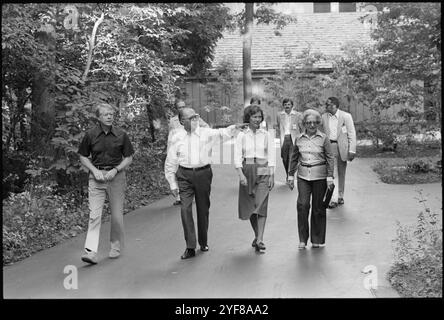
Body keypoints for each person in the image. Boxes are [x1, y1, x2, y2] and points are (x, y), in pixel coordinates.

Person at [164, 107, 247, 259]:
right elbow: (170, 160)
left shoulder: (205, 133)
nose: (195, 120)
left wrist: (235, 127)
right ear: (182, 121)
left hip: (203, 174)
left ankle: (203, 241)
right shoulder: (176, 136)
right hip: (184, 175)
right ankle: (190, 246)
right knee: (185, 209)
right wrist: (172, 183)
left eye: (196, 117)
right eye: (191, 118)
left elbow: (222, 133)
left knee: (203, 208)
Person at [78, 103, 135, 264]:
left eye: (111, 114)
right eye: (105, 114)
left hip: (116, 177)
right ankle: (90, 252)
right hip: (96, 178)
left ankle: (115, 246)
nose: (110, 116)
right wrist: (94, 170)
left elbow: (129, 157)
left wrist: (116, 170)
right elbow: (82, 156)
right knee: (94, 215)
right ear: (98, 117)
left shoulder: (121, 135)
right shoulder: (90, 135)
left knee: (116, 216)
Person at [288, 109, 334, 249]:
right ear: (304, 124)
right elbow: (294, 157)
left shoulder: (324, 138)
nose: (312, 125)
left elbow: (330, 158)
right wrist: (290, 175)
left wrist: (330, 176)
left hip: (320, 176)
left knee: (318, 207)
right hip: (303, 176)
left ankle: (317, 239)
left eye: (314, 122)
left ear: (318, 123)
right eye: (309, 122)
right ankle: (303, 239)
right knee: (302, 205)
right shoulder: (299, 139)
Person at [235, 104, 275, 253]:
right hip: (248, 168)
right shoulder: (242, 135)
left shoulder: (266, 135)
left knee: (261, 204)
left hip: (263, 169)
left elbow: (271, 155)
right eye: (254, 117)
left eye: (259, 117)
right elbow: (237, 157)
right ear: (248, 118)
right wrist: (240, 175)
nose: (257, 119)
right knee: (251, 207)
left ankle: (260, 239)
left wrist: (271, 174)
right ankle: (256, 234)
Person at [167, 99, 209, 206]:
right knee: (177, 172)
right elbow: (170, 136)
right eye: (179, 107)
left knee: (187, 171)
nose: (181, 108)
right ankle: (179, 196)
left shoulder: (193, 118)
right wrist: (169, 150)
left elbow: (206, 127)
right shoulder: (173, 121)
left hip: (190, 149)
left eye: (183, 106)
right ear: (176, 109)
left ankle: (189, 194)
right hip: (177, 148)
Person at [320, 97, 356, 208]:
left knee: (341, 173)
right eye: (326, 104)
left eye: (329, 104)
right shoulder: (323, 117)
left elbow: (351, 133)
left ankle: (340, 196)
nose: (326, 106)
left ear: (335, 105)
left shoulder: (346, 116)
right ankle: (333, 199)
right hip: (329, 147)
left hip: (342, 148)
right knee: (331, 172)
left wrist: (352, 150)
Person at [276, 98, 303, 183]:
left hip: (294, 139)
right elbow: (278, 125)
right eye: (285, 104)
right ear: (283, 106)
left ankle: (290, 176)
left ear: (292, 106)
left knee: (292, 158)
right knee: (284, 158)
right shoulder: (279, 115)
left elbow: (301, 127)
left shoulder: (298, 115)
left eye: (289, 104)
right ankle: (288, 174)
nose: (287, 106)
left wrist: (302, 138)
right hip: (284, 138)